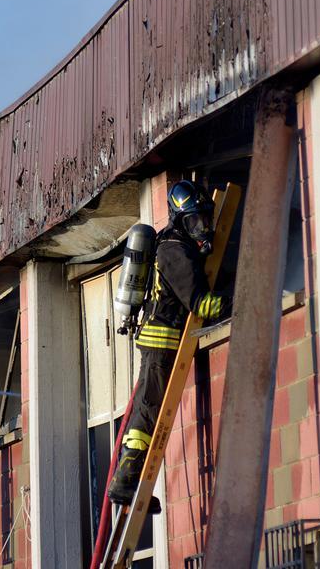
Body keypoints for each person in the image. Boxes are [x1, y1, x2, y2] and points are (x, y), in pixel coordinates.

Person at [107, 180, 231, 506]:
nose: (202, 228)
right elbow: (199, 304)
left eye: (204, 220)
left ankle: (131, 483)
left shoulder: (174, 245)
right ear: (179, 220)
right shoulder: (174, 250)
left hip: (159, 340)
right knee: (148, 412)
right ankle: (126, 480)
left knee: (145, 410)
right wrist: (238, 301)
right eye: (194, 222)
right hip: (163, 341)